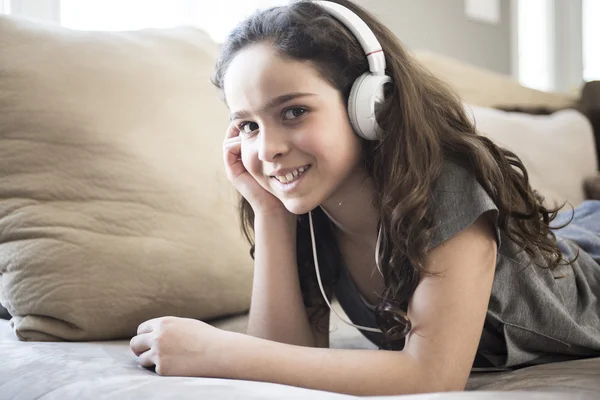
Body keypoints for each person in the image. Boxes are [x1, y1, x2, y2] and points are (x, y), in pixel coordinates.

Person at [130, 0, 600, 395]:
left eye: (293, 111)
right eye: (249, 125)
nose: (267, 148)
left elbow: (432, 375)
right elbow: (284, 357)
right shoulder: (310, 205)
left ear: (371, 105)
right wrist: (271, 213)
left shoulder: (445, 182)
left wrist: (215, 350)